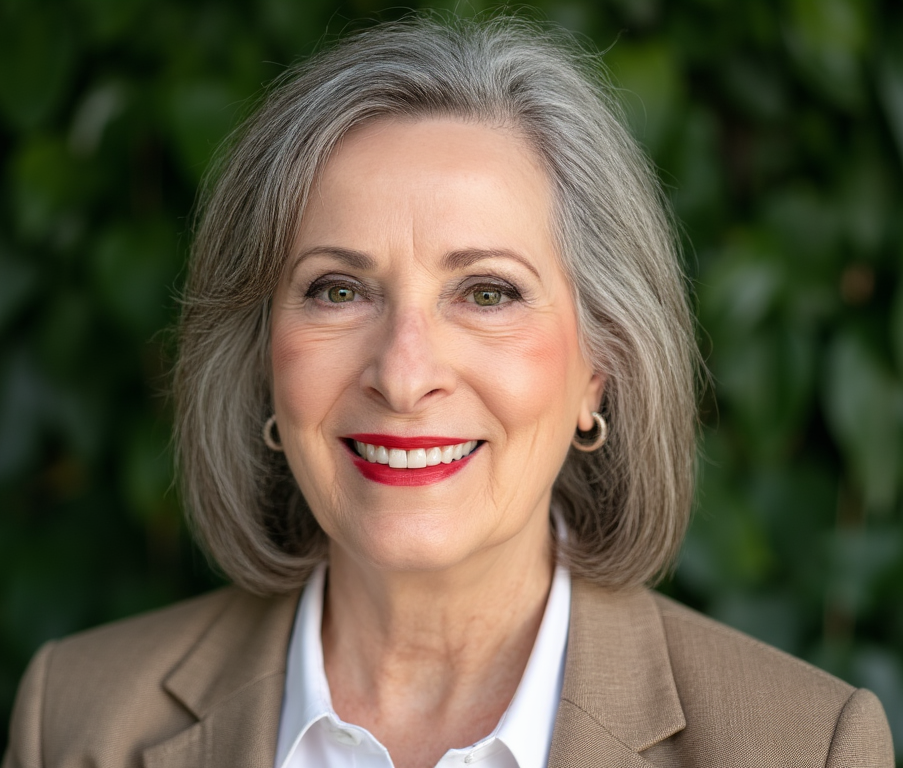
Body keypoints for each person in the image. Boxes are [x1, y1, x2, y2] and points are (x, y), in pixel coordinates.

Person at [2, 14, 893, 768]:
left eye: (487, 293)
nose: (403, 373)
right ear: (262, 358)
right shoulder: (78, 721)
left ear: (598, 366)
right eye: (337, 290)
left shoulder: (802, 745)